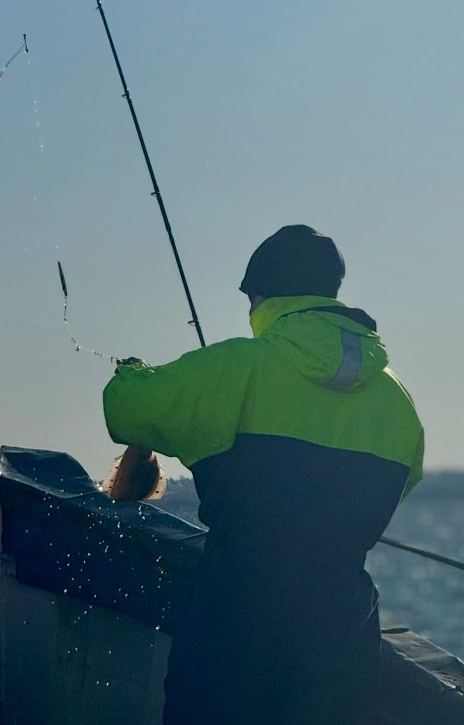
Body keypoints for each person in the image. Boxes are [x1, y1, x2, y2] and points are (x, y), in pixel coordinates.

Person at [103, 225, 424, 724]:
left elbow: (125, 409)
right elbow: (406, 480)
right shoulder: (398, 400)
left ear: (262, 295)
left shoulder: (239, 365)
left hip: (238, 616)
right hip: (343, 623)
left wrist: (134, 371)